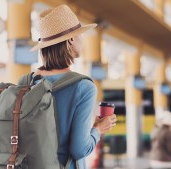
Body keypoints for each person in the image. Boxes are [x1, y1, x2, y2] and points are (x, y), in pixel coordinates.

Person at [30, 5, 117, 169]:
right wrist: (98, 129)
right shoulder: (82, 86)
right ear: (71, 39)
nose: (82, 39)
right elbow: (79, 150)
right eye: (80, 35)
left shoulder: (27, 82)